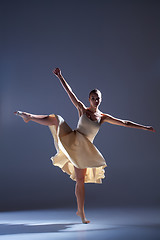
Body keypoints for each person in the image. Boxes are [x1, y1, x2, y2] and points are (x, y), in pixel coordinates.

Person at [14, 67, 155, 224]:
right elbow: (70, 93)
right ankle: (29, 116)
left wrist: (144, 127)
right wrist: (60, 77)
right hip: (73, 139)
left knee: (80, 181)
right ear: (89, 99)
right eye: (93, 98)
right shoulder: (82, 109)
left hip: (84, 150)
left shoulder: (103, 117)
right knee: (57, 119)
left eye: (98, 98)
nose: (96, 100)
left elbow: (124, 123)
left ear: (101, 100)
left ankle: (80, 211)